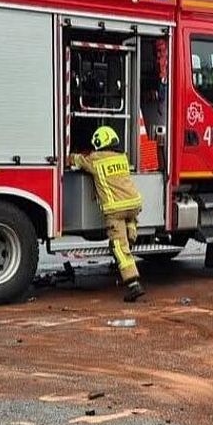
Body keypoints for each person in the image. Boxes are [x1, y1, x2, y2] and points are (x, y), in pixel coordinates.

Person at [69, 125, 145, 301]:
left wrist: (71, 156)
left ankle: (133, 284)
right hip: (134, 205)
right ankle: (131, 235)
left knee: (119, 247)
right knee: (130, 223)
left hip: (115, 209)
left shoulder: (95, 159)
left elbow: (77, 160)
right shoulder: (122, 157)